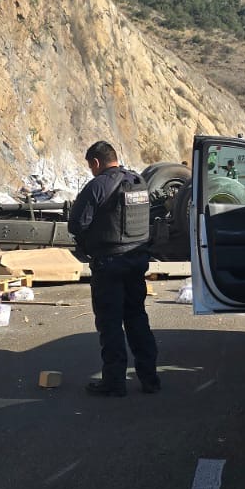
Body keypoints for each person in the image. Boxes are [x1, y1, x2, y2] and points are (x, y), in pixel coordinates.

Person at [68, 141, 160, 397]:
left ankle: (114, 382)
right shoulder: (139, 181)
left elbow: (76, 224)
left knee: (110, 324)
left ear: (96, 162)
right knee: (137, 319)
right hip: (136, 261)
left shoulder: (98, 185)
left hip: (109, 264)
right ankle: (150, 379)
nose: (91, 171)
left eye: (90, 166)